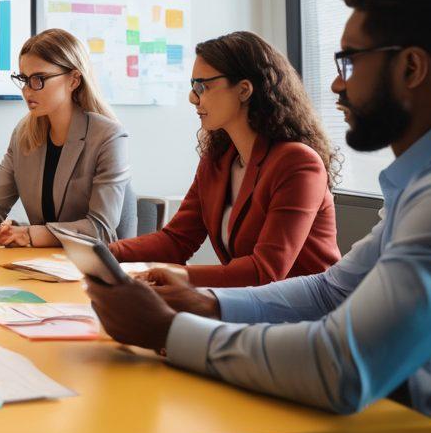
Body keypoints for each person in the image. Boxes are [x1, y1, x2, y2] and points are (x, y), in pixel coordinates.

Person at [87, 0, 431, 433]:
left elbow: (340, 368)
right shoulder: (428, 181)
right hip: (395, 426)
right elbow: (332, 289)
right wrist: (209, 305)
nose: (335, 85)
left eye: (349, 63)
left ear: (411, 68)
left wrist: (168, 330)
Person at [109, 32, 340, 286]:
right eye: (192, 86)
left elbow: (265, 272)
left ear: (243, 90)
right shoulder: (217, 160)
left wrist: (180, 276)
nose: (192, 97)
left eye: (202, 86)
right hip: (252, 307)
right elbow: (176, 241)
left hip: (305, 316)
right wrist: (107, 253)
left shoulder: (297, 163)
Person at [0, 28, 131, 246]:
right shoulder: (24, 134)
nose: (27, 90)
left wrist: (30, 234)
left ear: (74, 80)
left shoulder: (108, 136)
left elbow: (101, 228)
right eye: (24, 79)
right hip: (43, 264)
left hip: (97, 267)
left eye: (39, 79)